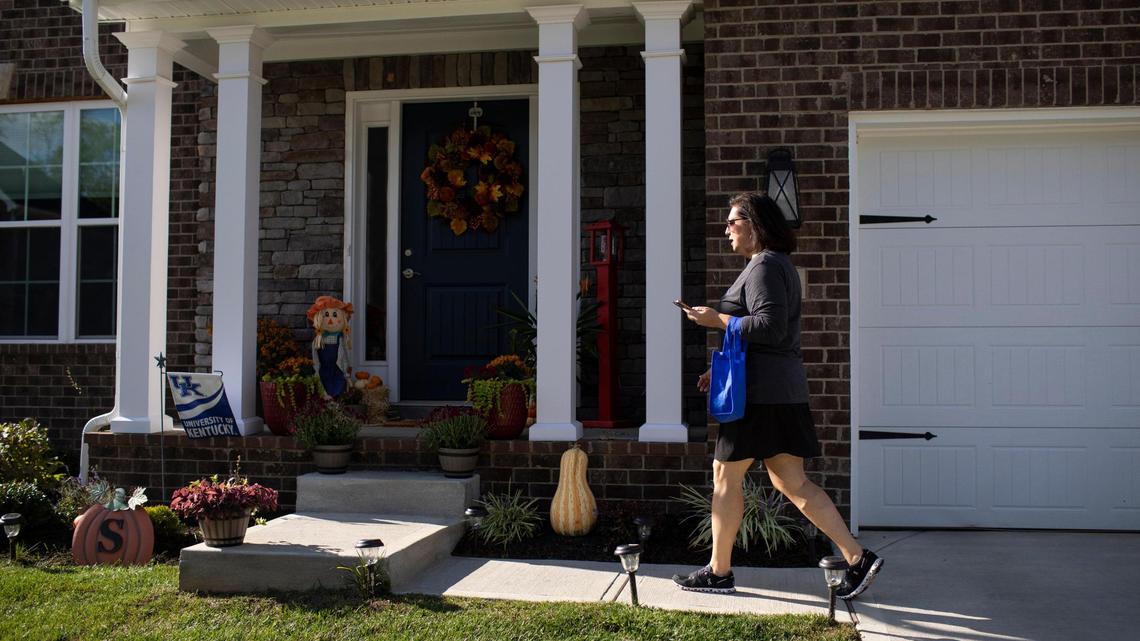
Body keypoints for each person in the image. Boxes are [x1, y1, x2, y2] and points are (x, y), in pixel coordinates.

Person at [673, 191, 882, 600]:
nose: (726, 230)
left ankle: (719, 572)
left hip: (760, 397)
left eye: (733, 222)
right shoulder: (770, 265)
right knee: (792, 482)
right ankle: (857, 558)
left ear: (755, 225)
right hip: (777, 390)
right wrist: (718, 366)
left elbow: (771, 328)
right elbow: (765, 335)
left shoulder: (765, 266)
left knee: (725, 475)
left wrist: (716, 319)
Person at [307, 296, 354, 399]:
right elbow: (315, 358)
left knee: (339, 387)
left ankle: (337, 405)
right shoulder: (318, 340)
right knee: (324, 389)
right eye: (326, 315)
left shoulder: (341, 339)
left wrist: (347, 373)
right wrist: (316, 370)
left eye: (335, 315)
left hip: (337, 369)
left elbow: (344, 357)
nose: (330, 319)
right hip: (323, 370)